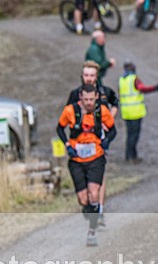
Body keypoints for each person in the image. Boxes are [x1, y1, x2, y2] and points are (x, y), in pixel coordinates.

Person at [57, 84, 116, 246]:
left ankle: (92, 231)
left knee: (94, 194)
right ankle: (89, 211)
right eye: (86, 99)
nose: (89, 102)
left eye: (92, 99)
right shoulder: (70, 111)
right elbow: (60, 129)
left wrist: (106, 141)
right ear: (80, 98)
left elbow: (113, 130)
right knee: (83, 199)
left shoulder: (101, 112)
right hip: (77, 160)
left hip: (96, 157)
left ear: (96, 97)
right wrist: (67, 145)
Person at [68, 60, 119, 226]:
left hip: (99, 139)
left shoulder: (104, 92)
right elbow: (68, 115)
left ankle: (100, 209)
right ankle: (89, 206)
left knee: (99, 175)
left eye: (91, 75)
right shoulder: (76, 94)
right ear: (82, 76)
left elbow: (116, 102)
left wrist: (109, 118)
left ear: (96, 77)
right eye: (86, 75)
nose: (89, 78)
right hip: (81, 142)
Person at [118, 60, 158, 163]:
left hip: (126, 112)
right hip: (135, 111)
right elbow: (142, 89)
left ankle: (128, 155)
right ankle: (132, 156)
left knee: (129, 134)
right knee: (134, 135)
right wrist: (155, 88)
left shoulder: (122, 80)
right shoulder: (133, 79)